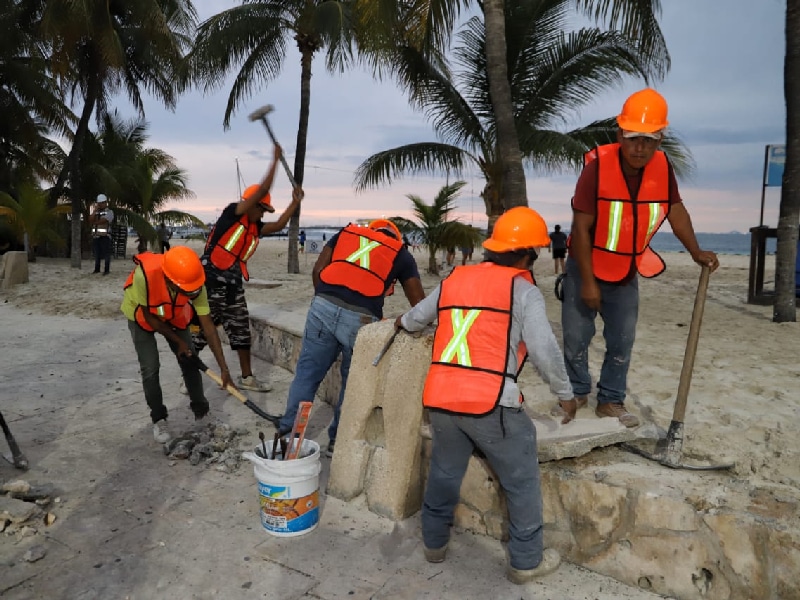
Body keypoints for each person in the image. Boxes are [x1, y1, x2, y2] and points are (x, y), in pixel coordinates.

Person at [395, 207, 573, 583]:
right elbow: (543, 349)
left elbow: (417, 317)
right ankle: (526, 562)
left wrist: (399, 322)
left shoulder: (455, 278)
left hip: (442, 397)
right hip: (492, 402)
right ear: (528, 255)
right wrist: (565, 393)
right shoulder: (523, 290)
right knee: (521, 482)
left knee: (444, 472)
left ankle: (434, 545)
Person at [557, 88, 720, 428]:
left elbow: (675, 211)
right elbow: (581, 228)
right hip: (585, 264)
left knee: (622, 338)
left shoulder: (662, 168)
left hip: (626, 270)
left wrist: (695, 251)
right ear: (620, 134)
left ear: (659, 140)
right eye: (633, 139)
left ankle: (611, 400)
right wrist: (587, 282)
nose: (640, 148)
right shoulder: (597, 168)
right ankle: (576, 391)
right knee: (576, 336)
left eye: (649, 140)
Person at [277, 218, 425, 457]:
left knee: (307, 374)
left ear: (372, 231)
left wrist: (326, 302)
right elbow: (419, 304)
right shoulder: (401, 253)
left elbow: (318, 271)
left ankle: (290, 433)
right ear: (396, 238)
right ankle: (337, 441)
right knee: (352, 381)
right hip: (361, 319)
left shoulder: (347, 233)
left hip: (323, 306)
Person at [193, 144, 302, 393]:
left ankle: (247, 378)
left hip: (233, 284)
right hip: (210, 280)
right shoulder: (234, 212)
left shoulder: (256, 227)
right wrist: (274, 161)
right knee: (200, 331)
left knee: (241, 330)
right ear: (253, 204)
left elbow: (280, 224)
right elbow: (263, 189)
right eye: (262, 208)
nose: (263, 214)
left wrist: (294, 202)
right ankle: (190, 376)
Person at [121, 246, 235, 443]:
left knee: (190, 360)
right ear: (168, 280)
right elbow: (150, 316)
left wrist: (224, 368)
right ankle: (159, 418)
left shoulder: (194, 283)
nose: (193, 294)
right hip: (142, 316)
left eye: (194, 290)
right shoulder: (145, 276)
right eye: (187, 291)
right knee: (150, 367)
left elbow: (208, 327)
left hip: (174, 315)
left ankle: (201, 410)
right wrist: (178, 341)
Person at [89, 194, 114, 275]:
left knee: (106, 254)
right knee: (97, 254)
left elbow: (103, 221)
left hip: (105, 236)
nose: (100, 204)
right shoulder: (96, 212)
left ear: (105, 203)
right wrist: (94, 211)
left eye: (102, 203)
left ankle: (106, 270)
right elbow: (90, 219)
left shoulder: (110, 212)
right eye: (99, 203)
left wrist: (94, 222)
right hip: (96, 236)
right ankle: (97, 269)